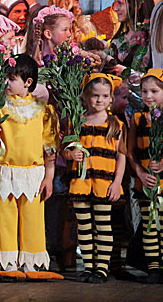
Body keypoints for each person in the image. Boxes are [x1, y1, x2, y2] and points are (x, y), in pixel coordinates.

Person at [0, 54, 61, 278]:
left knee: (32, 218)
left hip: (32, 173)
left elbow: (49, 148)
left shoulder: (43, 110)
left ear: (28, 82)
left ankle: (31, 263)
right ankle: (7, 263)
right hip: (6, 171)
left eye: (11, 78)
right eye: (5, 78)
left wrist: (49, 177)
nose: (6, 83)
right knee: (4, 219)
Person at [64, 73, 125, 283]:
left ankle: (102, 269)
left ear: (111, 98)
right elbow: (65, 150)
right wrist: (71, 154)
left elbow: (122, 155)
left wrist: (117, 182)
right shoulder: (77, 121)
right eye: (95, 95)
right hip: (81, 182)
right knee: (84, 225)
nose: (100, 100)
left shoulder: (115, 124)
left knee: (103, 224)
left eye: (105, 96)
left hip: (104, 182)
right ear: (86, 96)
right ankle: (88, 267)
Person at [127, 69, 163, 284]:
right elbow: (131, 152)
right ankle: (153, 268)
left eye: (154, 91)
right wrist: (140, 173)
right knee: (149, 226)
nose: (148, 96)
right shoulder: (138, 118)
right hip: (146, 183)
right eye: (144, 91)